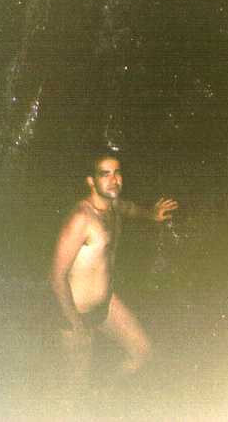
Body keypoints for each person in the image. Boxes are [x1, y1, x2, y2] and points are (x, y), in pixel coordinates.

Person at [50, 151, 178, 386]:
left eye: (117, 173)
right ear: (91, 181)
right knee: (71, 392)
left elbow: (129, 208)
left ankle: (103, 393)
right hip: (75, 314)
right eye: (105, 174)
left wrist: (152, 214)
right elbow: (56, 276)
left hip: (106, 304)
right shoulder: (81, 218)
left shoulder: (113, 205)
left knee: (142, 352)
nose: (114, 179)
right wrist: (75, 324)